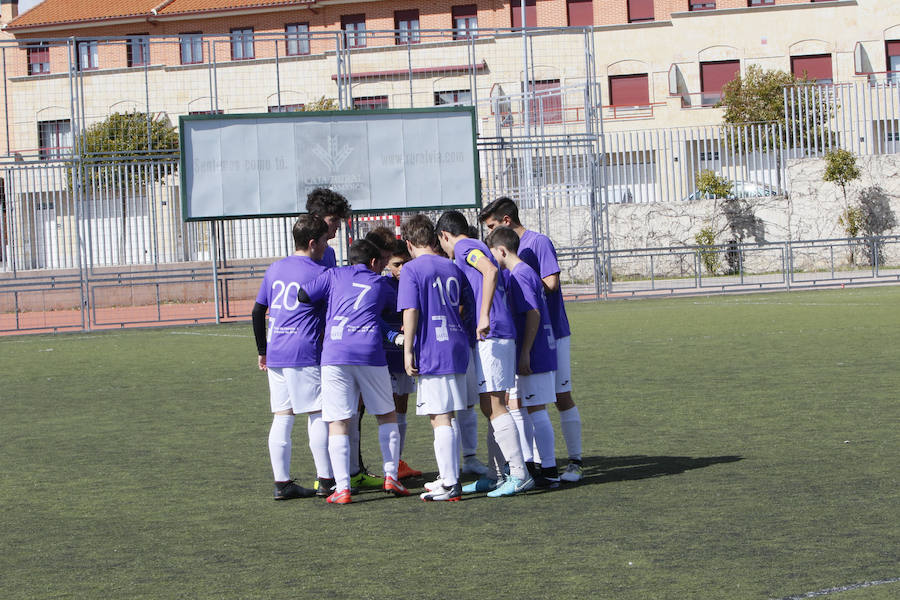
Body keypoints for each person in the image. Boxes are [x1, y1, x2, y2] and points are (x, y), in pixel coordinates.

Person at [479, 197, 584, 482]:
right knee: (521, 402)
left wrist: (524, 283)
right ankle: (534, 462)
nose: (488, 233)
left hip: (550, 334)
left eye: (491, 226)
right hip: (525, 336)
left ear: (506, 222)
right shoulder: (508, 254)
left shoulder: (537, 244)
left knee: (559, 397)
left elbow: (550, 284)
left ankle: (573, 461)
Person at [298, 239, 409, 504]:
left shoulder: (333, 274)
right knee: (386, 414)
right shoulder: (380, 283)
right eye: (381, 263)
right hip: (369, 352)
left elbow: (303, 296)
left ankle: (343, 488)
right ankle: (391, 476)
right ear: (373, 263)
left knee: (338, 421)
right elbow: (398, 305)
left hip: (335, 353)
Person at [435, 210, 532, 497]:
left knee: (496, 405)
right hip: (497, 333)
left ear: (445, 236)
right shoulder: (475, 245)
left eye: (442, 243)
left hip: (493, 333)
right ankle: (496, 474)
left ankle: (519, 473)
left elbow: (490, 272)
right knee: (491, 406)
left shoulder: (464, 247)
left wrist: (484, 315)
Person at [251, 214, 333, 500]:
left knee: (282, 417)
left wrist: (263, 350)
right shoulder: (320, 272)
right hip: (304, 351)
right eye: (324, 239)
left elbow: (257, 311)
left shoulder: (275, 268)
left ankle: (282, 483)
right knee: (318, 413)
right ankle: (325, 479)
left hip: (276, 351)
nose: (327, 243)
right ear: (312, 243)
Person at [398, 215, 473, 501]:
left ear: (408, 243)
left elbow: (411, 311)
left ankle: (451, 484)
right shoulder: (452, 266)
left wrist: (408, 350)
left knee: (440, 416)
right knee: (446, 414)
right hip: (456, 345)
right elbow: (465, 304)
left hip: (433, 348)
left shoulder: (412, 269)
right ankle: (447, 475)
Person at [486, 226, 560, 489]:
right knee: (526, 407)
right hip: (536, 347)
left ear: (502, 250)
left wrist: (526, 350)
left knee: (537, 409)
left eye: (492, 253)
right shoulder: (524, 272)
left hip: (536, 349)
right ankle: (532, 464)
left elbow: (533, 313)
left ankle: (549, 470)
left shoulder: (520, 274)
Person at [380, 235, 422, 479]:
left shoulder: (414, 280)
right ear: (387, 264)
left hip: (408, 356)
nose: (401, 269)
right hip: (388, 356)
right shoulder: (383, 286)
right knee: (390, 410)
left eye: (405, 263)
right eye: (396, 264)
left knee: (403, 408)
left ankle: (397, 462)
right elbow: (375, 316)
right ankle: (390, 465)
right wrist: (395, 332)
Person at [305, 187, 352, 269]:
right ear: (317, 218)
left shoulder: (329, 252)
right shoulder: (305, 254)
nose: (338, 225)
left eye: (339, 220)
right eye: (333, 220)